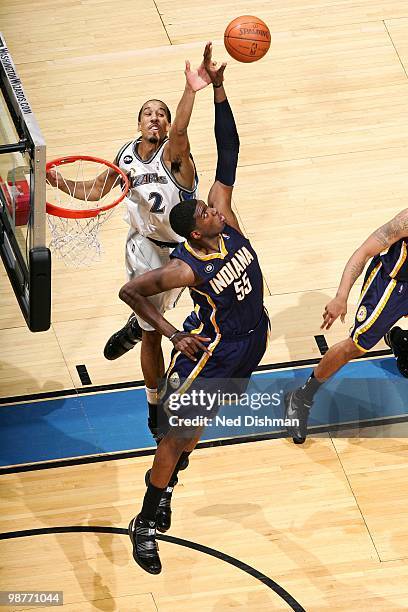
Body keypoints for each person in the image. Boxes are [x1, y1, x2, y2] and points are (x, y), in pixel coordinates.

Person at [118, 46, 270, 574]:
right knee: (176, 439)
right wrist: (170, 333)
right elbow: (131, 291)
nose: (213, 206)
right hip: (211, 351)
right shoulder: (185, 267)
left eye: (210, 206)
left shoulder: (225, 219)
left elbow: (228, 149)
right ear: (194, 231)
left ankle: (171, 468)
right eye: (205, 210)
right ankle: (146, 520)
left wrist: (219, 90)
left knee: (194, 434)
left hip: (250, 345)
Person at [47, 46, 214, 444]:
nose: (155, 117)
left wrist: (191, 90)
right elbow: (95, 189)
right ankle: (155, 403)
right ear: (138, 123)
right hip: (142, 249)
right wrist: (56, 183)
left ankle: (136, 325)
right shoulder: (124, 155)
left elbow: (181, 133)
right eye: (147, 113)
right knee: (154, 331)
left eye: (162, 113)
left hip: (183, 250)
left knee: (171, 312)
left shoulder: (176, 158)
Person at [285, 208, 408, 444]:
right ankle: (301, 397)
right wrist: (341, 296)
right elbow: (363, 252)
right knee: (356, 346)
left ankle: (401, 341)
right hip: (391, 287)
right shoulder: (405, 221)